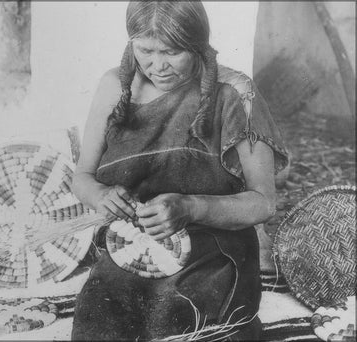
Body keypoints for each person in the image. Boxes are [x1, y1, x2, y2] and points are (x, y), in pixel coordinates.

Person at [71, 1, 289, 341]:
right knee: (100, 316)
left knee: (177, 317)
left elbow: (264, 203)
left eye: (172, 53)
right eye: (145, 50)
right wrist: (101, 195)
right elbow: (82, 176)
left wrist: (191, 207)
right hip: (134, 247)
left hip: (215, 247)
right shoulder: (115, 87)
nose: (157, 66)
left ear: (198, 45)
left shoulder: (234, 93)